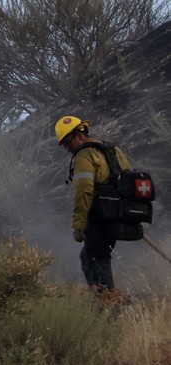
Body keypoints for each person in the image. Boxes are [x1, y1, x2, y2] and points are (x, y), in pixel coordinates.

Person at [55, 115, 134, 297]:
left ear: (79, 135)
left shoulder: (84, 154)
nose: (67, 149)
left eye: (67, 143)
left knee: (95, 258)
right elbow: (128, 177)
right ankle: (104, 297)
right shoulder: (112, 150)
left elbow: (84, 192)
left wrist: (78, 224)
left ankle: (106, 300)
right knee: (92, 256)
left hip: (98, 216)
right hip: (118, 214)